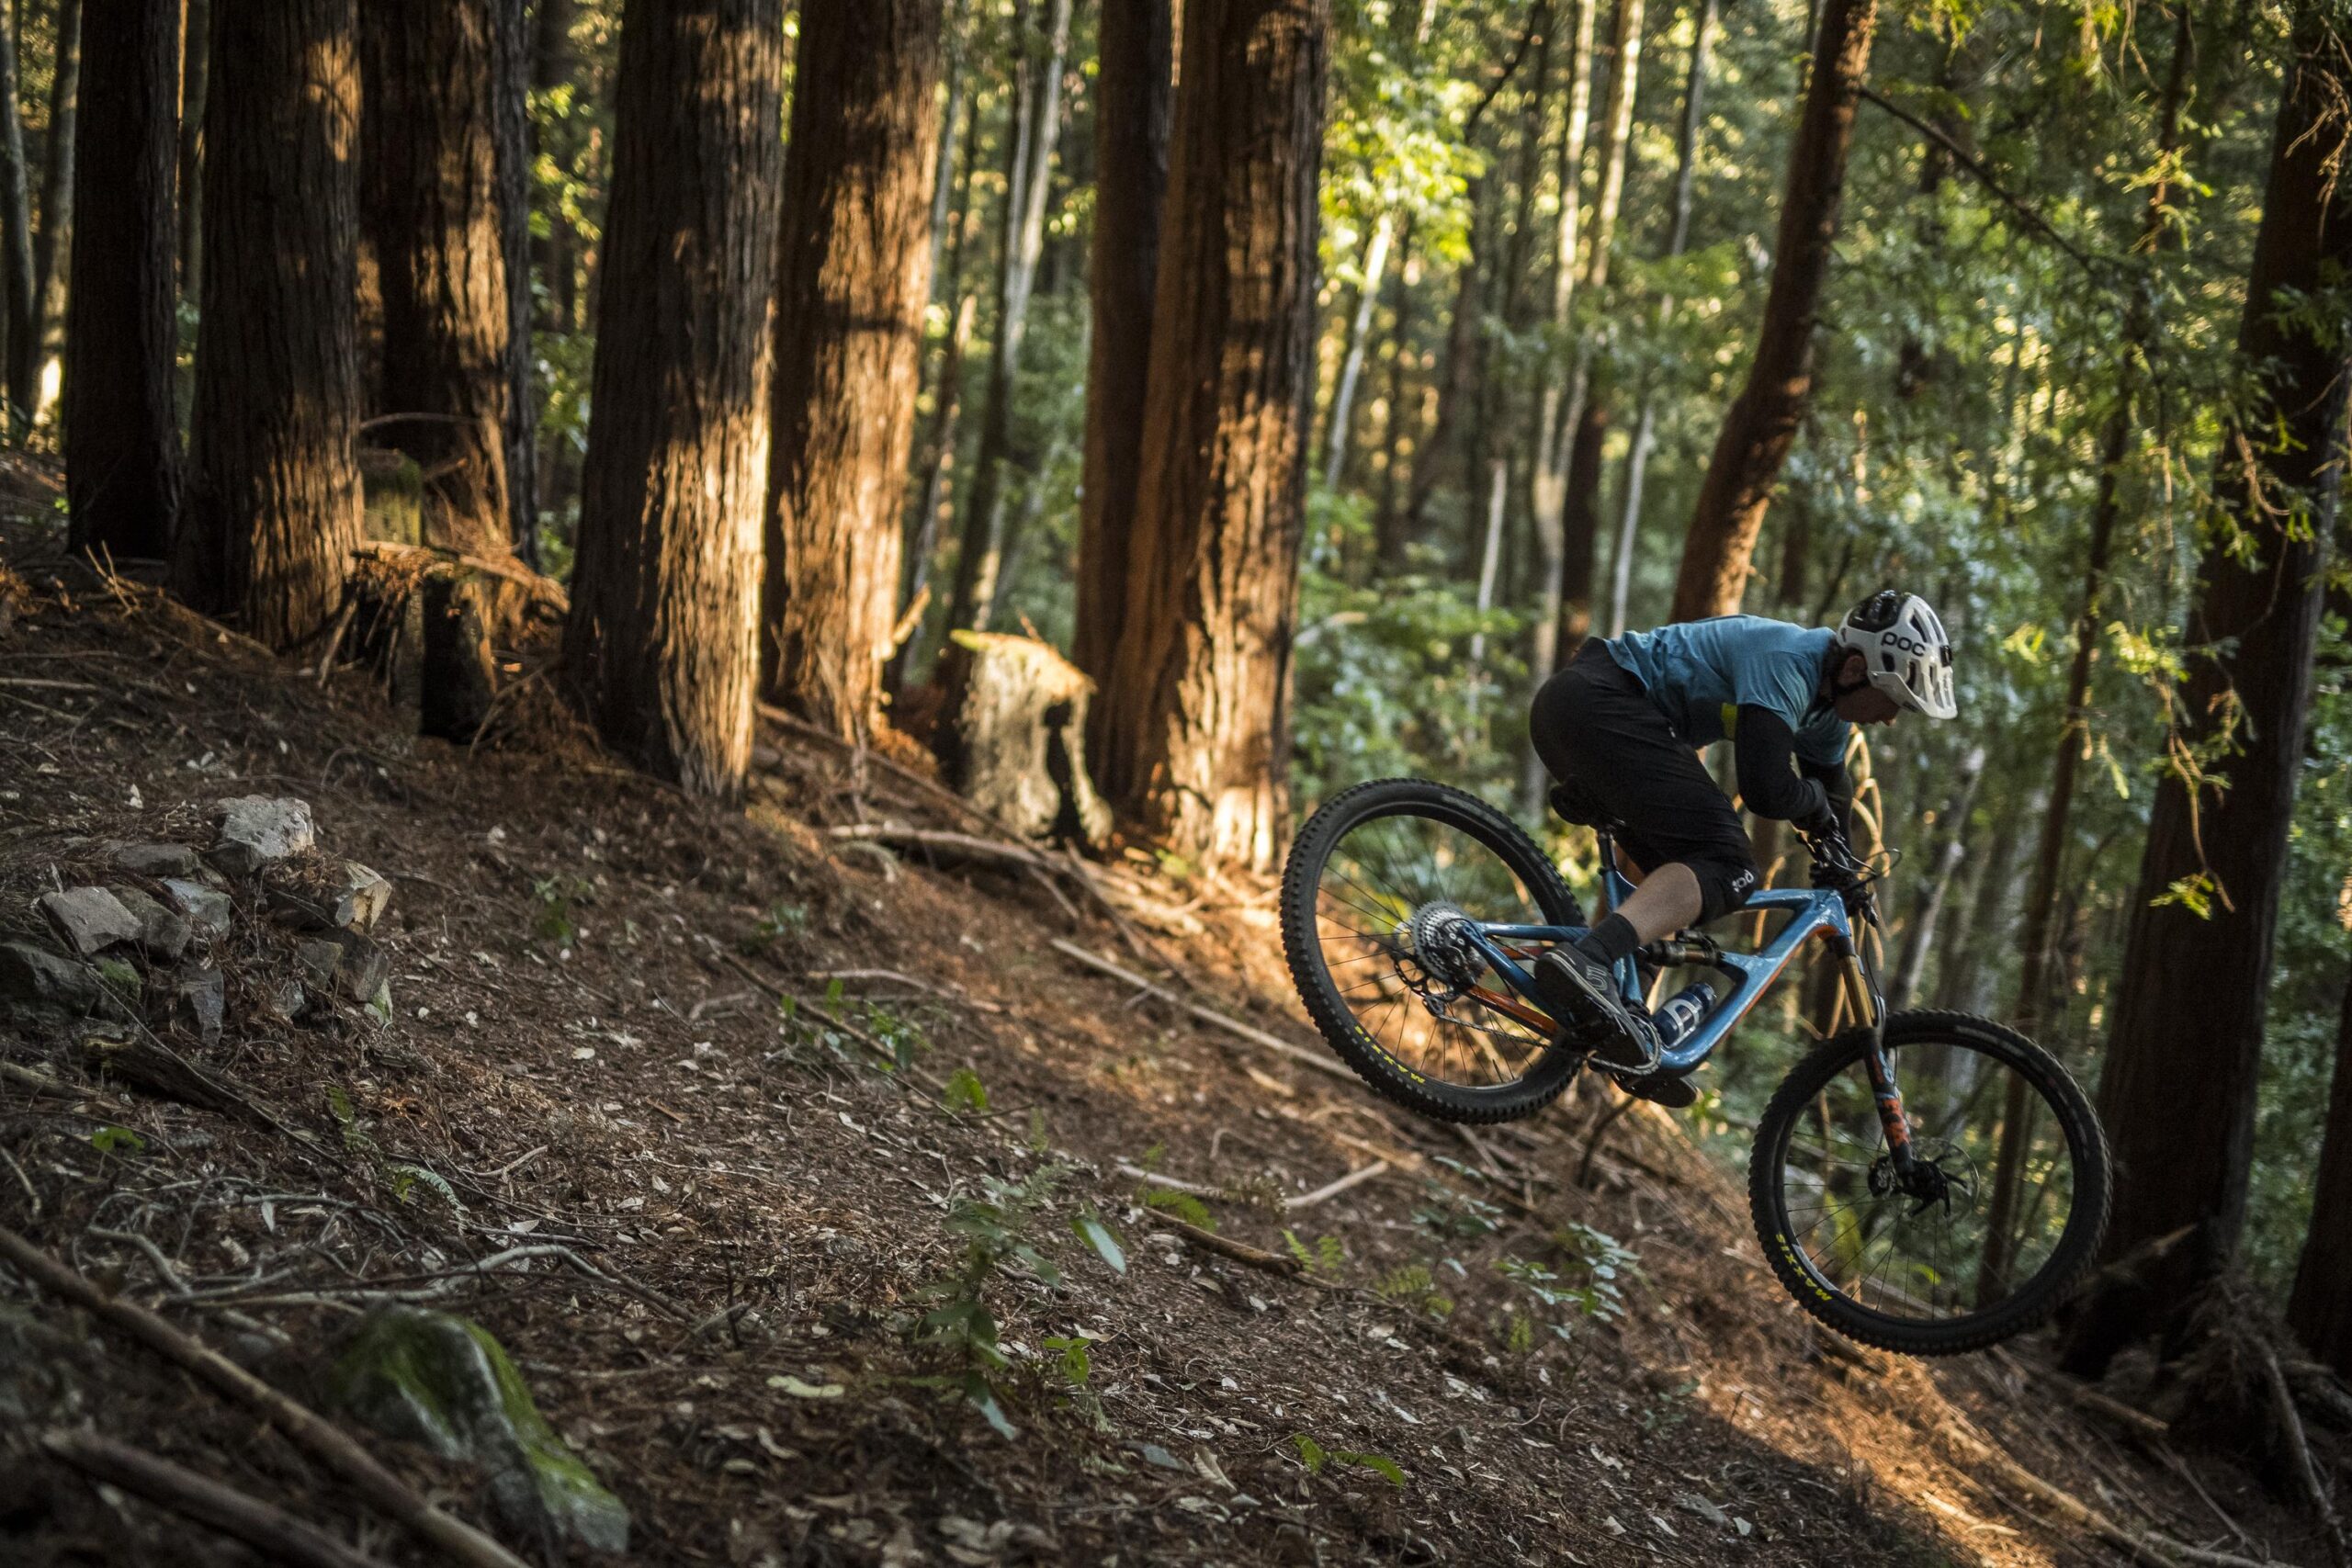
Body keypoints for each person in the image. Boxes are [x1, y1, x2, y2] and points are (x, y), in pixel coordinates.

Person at [1525, 592, 1956, 1100]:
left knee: (1684, 883)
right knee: (1729, 866)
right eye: (1893, 701)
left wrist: (1843, 872)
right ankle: (1589, 957)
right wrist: (1814, 806)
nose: (1889, 720)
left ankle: (1621, 1018)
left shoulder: (1826, 713)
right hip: (1600, 704)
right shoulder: (1789, 662)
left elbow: (1831, 795)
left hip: (1585, 714)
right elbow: (1767, 788)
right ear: (1854, 668)